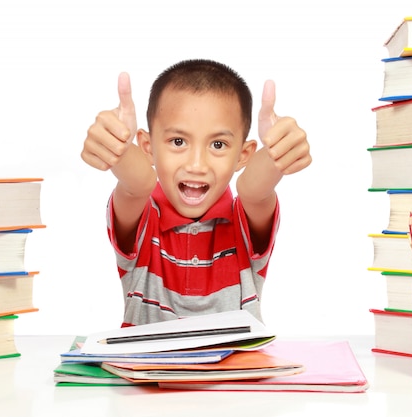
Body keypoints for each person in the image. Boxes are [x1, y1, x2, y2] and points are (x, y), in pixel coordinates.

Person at [81, 59, 311, 326]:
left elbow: (253, 190)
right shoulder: (145, 219)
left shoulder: (242, 221)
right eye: (178, 141)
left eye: (218, 144)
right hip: (149, 368)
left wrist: (276, 154)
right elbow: (138, 184)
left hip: (239, 369)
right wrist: (117, 149)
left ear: (243, 155)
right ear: (148, 146)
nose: (196, 165)